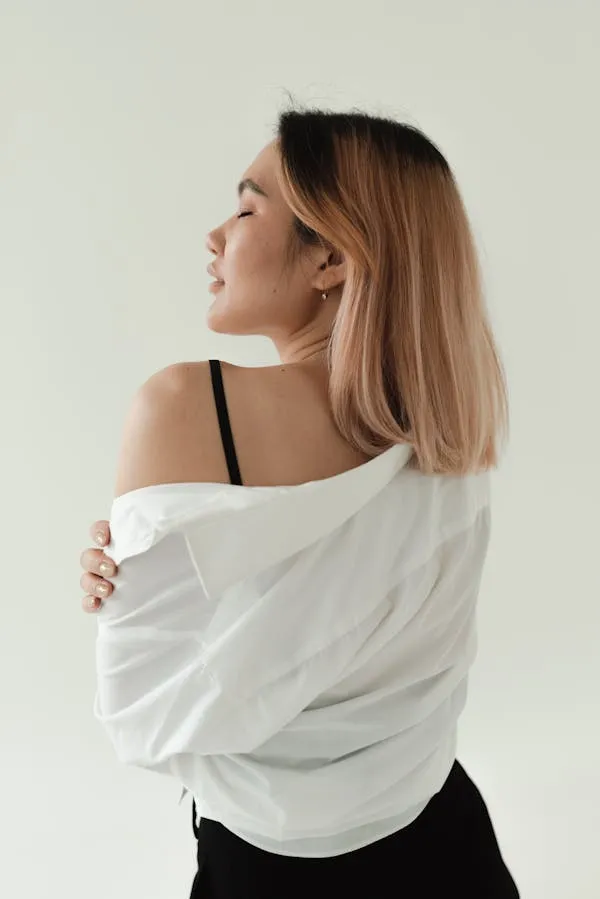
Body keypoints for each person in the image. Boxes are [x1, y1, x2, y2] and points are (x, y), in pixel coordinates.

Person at [79, 108, 519, 897]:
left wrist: (153, 588)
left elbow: (143, 713)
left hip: (264, 868)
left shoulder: (186, 404)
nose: (215, 236)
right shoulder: (449, 435)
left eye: (247, 208)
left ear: (333, 258)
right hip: (447, 843)